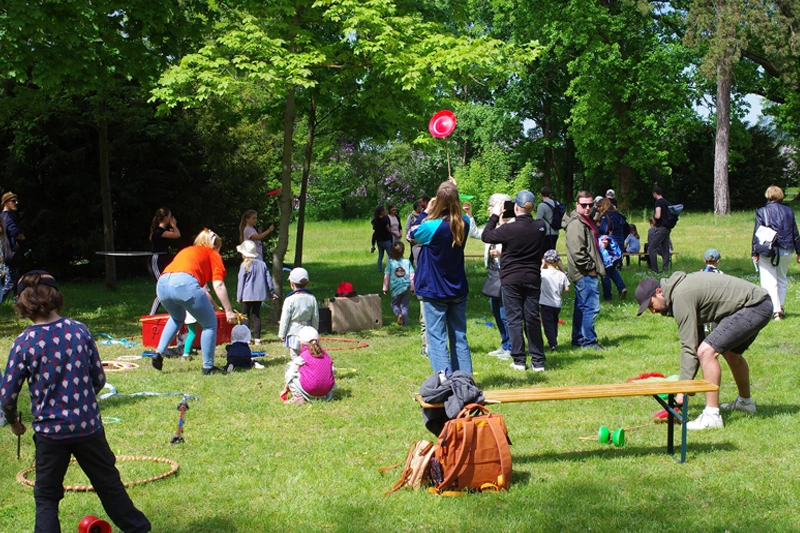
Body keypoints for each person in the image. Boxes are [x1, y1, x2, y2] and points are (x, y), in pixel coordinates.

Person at [0, 271, 151, 532]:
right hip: (87, 426)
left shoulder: (24, 342)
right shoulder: (79, 331)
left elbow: (7, 395)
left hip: (50, 433)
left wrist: (14, 423)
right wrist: (81, 400)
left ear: (23, 303)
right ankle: (138, 529)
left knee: (46, 496)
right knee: (109, 484)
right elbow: (99, 377)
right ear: (56, 296)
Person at [635, 272, 772, 430]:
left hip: (754, 306)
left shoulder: (681, 296)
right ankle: (745, 403)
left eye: (651, 305)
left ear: (659, 292)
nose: (652, 311)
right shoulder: (679, 292)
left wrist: (683, 389)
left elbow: (689, 347)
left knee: (707, 352)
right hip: (759, 303)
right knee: (730, 353)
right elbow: (696, 339)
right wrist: (688, 385)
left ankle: (712, 416)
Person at [151, 229, 238, 375]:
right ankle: (208, 367)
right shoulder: (212, 253)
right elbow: (219, 285)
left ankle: (158, 353)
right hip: (184, 284)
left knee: (177, 318)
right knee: (209, 324)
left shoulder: (188, 250)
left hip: (162, 284)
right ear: (215, 245)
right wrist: (229, 310)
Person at [410, 181, 473, 375]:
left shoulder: (431, 226)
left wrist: (424, 212)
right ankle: (465, 380)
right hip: (457, 288)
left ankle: (445, 381)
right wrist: (452, 189)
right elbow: (460, 215)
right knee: (459, 336)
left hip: (434, 289)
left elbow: (411, 234)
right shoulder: (465, 223)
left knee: (436, 338)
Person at [482, 190, 547, 371]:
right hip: (532, 277)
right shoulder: (540, 227)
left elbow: (486, 235)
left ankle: (519, 360)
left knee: (514, 319)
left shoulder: (508, 229)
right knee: (532, 318)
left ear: (516, 207)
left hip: (511, 278)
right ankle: (538, 361)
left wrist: (496, 215)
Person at [465, 194, 512, 360]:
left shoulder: (512, 225)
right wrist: (469, 215)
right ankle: (505, 344)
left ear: (501, 207)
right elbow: (477, 233)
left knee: (506, 313)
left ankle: (512, 348)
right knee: (496, 311)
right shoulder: (494, 225)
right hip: (493, 275)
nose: (488, 208)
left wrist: (502, 252)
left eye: (491, 205)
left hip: (506, 274)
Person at [564, 191, 606, 351]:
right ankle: (589, 341)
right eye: (584, 205)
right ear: (577, 204)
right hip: (584, 272)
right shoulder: (576, 224)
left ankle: (578, 339)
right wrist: (591, 269)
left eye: (590, 204)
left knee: (582, 306)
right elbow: (577, 252)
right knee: (591, 307)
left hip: (583, 271)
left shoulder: (584, 220)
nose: (588, 208)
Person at [751, 185, 800, 321]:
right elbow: (795, 233)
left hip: (768, 249)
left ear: (767, 195)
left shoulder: (762, 211)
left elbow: (757, 234)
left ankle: (776, 310)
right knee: (782, 278)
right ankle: (781, 306)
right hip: (786, 249)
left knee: (769, 280)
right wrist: (799, 251)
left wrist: (754, 252)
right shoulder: (789, 211)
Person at [236, 239, 278, 345]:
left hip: (247, 295)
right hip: (259, 295)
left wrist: (239, 296)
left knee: (245, 315)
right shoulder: (262, 264)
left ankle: (246, 337)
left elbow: (241, 282)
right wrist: (272, 292)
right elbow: (268, 279)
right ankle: (257, 338)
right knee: (256, 316)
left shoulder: (244, 266)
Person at [280, 326, 335, 405]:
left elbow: (291, 374)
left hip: (311, 388)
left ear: (301, 343)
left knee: (290, 368)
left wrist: (285, 389)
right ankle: (323, 396)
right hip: (326, 390)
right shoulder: (326, 355)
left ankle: (298, 397)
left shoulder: (303, 356)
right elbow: (333, 370)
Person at [278, 267, 319, 362]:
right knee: (307, 354)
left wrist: (282, 333)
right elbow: (315, 317)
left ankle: (297, 371)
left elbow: (285, 318)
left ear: (291, 284)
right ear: (307, 283)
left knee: (295, 356)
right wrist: (315, 331)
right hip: (308, 332)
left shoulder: (289, 300)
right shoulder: (312, 298)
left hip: (293, 333)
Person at [148, 207, 181, 315]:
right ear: (166, 218)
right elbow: (177, 235)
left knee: (165, 288)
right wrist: (174, 225)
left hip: (162, 261)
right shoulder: (159, 231)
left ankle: (172, 312)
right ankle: (152, 315)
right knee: (162, 288)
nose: (172, 218)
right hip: (156, 260)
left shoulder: (162, 231)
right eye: (170, 216)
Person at [540, 249, 569, 352]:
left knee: (547, 324)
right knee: (554, 322)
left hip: (545, 303)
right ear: (557, 262)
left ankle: (552, 343)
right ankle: (554, 339)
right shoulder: (561, 275)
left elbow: (536, 275)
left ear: (545, 260)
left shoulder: (543, 273)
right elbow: (566, 288)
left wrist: (542, 265)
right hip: (557, 303)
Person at [383, 241, 414, 326]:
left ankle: (398, 314)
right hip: (405, 288)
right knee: (405, 306)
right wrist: (412, 287)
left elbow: (387, 276)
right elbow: (412, 276)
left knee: (394, 305)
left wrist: (385, 288)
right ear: (403, 251)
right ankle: (404, 324)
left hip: (395, 289)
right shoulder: (407, 262)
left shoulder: (390, 263)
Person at [2, 191, 25, 299]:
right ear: (5, 203)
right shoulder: (10, 216)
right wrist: (21, 236)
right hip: (12, 253)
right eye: (13, 201)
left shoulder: (1, 216)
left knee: (15, 282)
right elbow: (14, 232)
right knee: (10, 284)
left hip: (5, 253)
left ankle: (19, 306)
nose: (16, 203)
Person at [650, 186, 673, 273]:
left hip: (661, 228)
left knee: (652, 248)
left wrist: (653, 217)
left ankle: (655, 269)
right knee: (665, 248)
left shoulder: (658, 202)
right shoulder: (667, 202)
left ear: (655, 193)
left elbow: (658, 215)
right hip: (668, 228)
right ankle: (665, 268)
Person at [599, 235, 627, 301]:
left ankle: (607, 296)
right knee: (613, 272)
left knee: (605, 275)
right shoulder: (610, 237)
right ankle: (622, 288)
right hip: (614, 258)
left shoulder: (601, 237)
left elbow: (602, 245)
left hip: (605, 259)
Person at [536, 186, 561, 252]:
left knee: (544, 253)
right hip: (556, 231)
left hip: (546, 233)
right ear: (550, 194)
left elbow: (538, 220)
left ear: (541, 195)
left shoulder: (541, 205)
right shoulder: (557, 203)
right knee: (552, 253)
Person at [370, 206, 392, 272]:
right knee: (391, 255)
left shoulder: (376, 220)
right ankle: (391, 268)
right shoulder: (385, 219)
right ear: (382, 212)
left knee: (380, 255)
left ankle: (379, 269)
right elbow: (388, 229)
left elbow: (373, 224)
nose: (385, 211)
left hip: (379, 240)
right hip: (386, 239)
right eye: (384, 210)